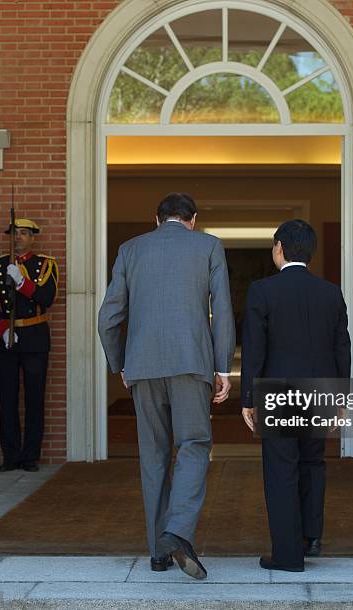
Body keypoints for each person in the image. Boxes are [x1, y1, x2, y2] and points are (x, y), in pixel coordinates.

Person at [98, 193, 235, 579]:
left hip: (142, 364)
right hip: (191, 362)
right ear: (193, 219)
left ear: (156, 220)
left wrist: (120, 362)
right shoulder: (209, 245)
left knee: (153, 455)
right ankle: (176, 531)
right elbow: (221, 308)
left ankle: (158, 552)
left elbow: (108, 316)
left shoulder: (130, 250)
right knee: (193, 444)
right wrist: (223, 367)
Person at [240, 219, 351, 572]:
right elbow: (341, 348)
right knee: (312, 464)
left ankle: (288, 555)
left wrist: (247, 398)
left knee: (281, 470)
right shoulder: (330, 292)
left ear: (279, 248)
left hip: (278, 392)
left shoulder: (262, 291)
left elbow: (254, 350)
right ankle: (310, 538)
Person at [0, 218, 59, 473]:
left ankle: (30, 457)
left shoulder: (46, 265)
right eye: (14, 233)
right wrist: (3, 330)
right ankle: (10, 456)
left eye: (24, 233)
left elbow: (46, 298)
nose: (18, 238)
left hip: (35, 338)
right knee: (7, 399)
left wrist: (22, 282)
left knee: (34, 400)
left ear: (33, 237)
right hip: (6, 341)